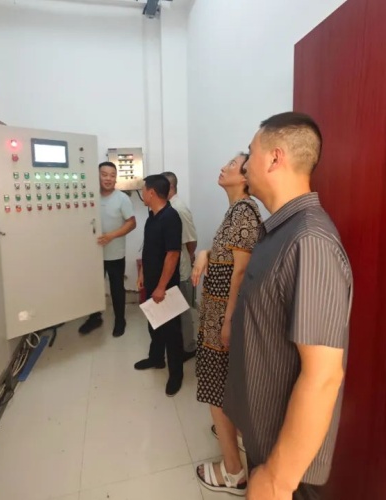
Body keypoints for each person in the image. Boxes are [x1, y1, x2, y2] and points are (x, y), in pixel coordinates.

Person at [224, 112, 353, 500]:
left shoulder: (309, 241)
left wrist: (277, 479)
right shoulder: (280, 231)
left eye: (250, 153)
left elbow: (323, 376)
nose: (245, 164)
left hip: (285, 466)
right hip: (265, 437)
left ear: (274, 158)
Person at [192, 154, 261, 496]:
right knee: (222, 383)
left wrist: (228, 321)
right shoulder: (235, 212)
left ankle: (233, 472)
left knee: (215, 387)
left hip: (223, 316)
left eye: (232, 164)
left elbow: (241, 271)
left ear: (245, 177)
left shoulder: (244, 212)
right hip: (217, 313)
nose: (223, 167)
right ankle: (235, 440)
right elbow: (228, 257)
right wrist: (204, 253)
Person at [134, 174, 185, 397]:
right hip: (152, 282)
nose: (142, 194)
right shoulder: (152, 216)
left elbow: (172, 254)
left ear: (152, 193)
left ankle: (176, 375)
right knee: (154, 324)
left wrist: (162, 287)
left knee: (172, 332)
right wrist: (142, 274)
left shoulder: (171, 217)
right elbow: (149, 248)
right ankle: (156, 358)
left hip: (165, 287)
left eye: (143, 190)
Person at [79, 161, 136, 337]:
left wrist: (111, 235)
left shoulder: (122, 198)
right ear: (97, 176)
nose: (108, 179)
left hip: (115, 254)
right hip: (93, 253)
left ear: (116, 178)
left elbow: (132, 223)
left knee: (116, 287)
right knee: (93, 287)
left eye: (112, 175)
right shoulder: (90, 196)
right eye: (104, 175)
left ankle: (120, 320)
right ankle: (94, 317)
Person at [161, 171, 198, 361]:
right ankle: (178, 343)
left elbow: (191, 241)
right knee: (174, 307)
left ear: (170, 187)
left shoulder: (179, 209)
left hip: (181, 266)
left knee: (183, 309)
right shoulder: (168, 207)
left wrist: (189, 258)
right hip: (172, 266)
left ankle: (189, 347)